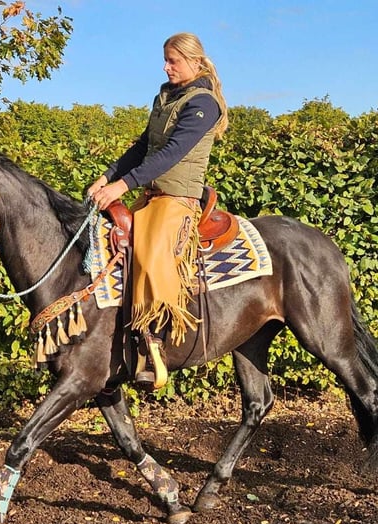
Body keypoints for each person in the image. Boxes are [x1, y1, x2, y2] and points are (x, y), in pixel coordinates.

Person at [87, 32, 228, 389]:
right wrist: (106, 177)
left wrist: (121, 186)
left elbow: (172, 153)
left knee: (150, 253)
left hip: (178, 198)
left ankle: (156, 344)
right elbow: (144, 147)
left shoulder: (204, 102)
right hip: (151, 192)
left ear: (195, 62)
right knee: (109, 238)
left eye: (173, 61)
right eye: (165, 60)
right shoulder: (165, 97)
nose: (166, 67)